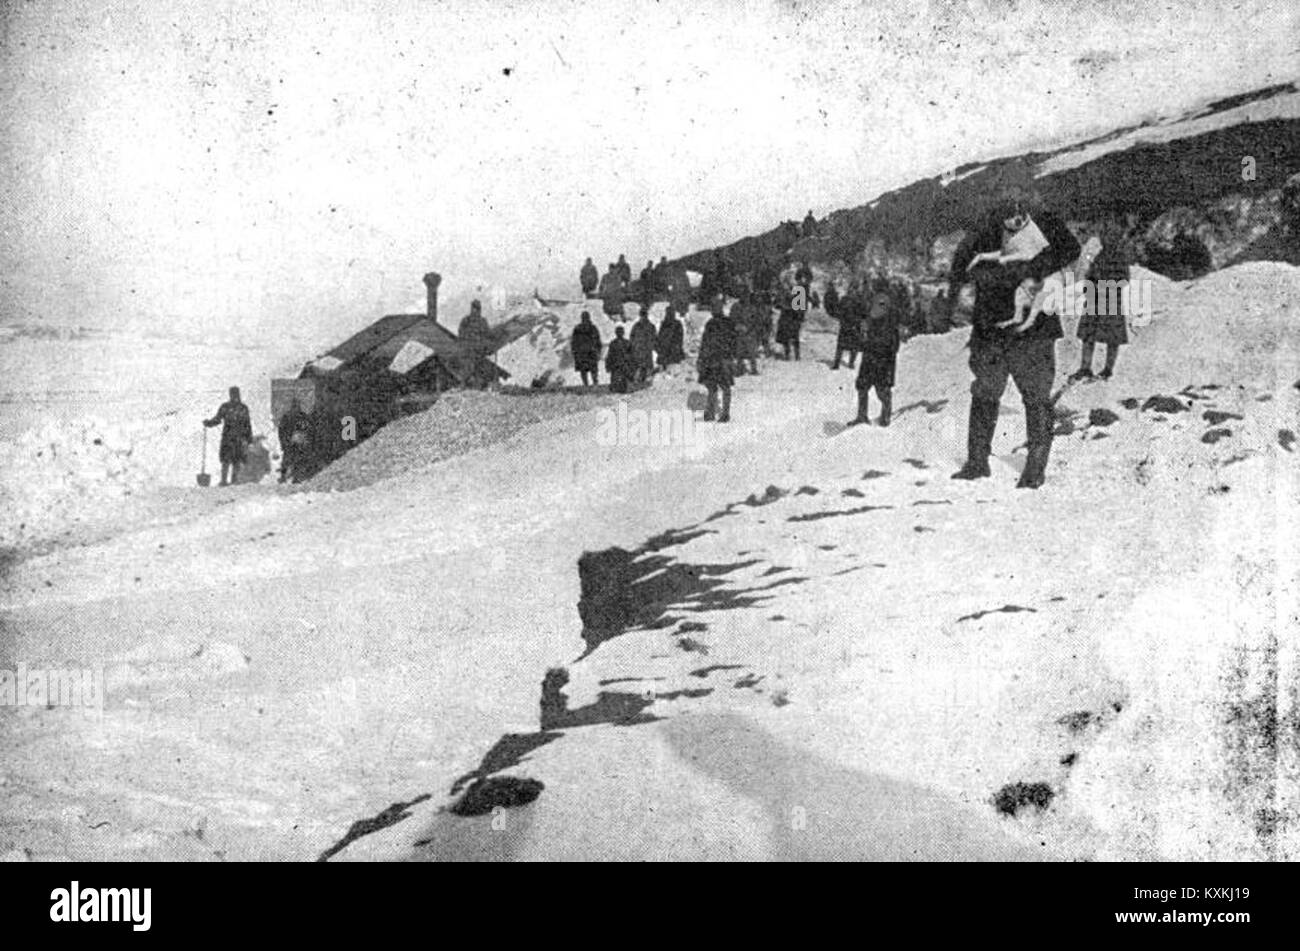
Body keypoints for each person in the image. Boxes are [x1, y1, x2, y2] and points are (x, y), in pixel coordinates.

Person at [946, 185, 1081, 489]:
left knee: (1035, 397)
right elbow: (963, 263)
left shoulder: (1043, 221)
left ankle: (1034, 470)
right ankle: (977, 462)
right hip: (991, 327)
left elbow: (1070, 248)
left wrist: (1031, 269)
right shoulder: (985, 227)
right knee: (984, 392)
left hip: (1032, 330)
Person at [1071, 227, 1130, 381]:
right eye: (1105, 237)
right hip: (1094, 299)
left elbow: (1124, 280)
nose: (1107, 240)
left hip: (1110, 300)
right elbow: (1089, 274)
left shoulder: (1120, 257)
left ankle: (1108, 370)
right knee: (1088, 335)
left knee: (1113, 338)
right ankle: (1085, 367)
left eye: (1111, 237)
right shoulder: (1099, 256)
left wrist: (1106, 286)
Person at [850, 291, 901, 427]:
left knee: (882, 391)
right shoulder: (869, 321)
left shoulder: (891, 324)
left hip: (883, 362)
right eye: (876, 304)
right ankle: (862, 416)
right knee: (862, 387)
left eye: (881, 305)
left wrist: (870, 338)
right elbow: (862, 343)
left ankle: (885, 417)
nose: (877, 308)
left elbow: (892, 346)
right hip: (869, 360)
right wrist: (863, 334)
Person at [204, 386, 254, 487]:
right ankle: (231, 480)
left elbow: (217, 419)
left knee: (229, 459)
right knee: (233, 459)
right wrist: (248, 438)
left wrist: (209, 423)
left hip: (229, 437)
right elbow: (247, 425)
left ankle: (226, 480)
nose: (234, 396)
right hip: (236, 438)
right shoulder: (242, 408)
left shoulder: (227, 407)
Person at [696, 299, 736, 422]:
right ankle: (716, 412)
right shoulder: (722, 323)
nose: (713, 310)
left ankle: (718, 413)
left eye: (715, 307)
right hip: (719, 358)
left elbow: (706, 342)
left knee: (719, 386)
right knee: (718, 386)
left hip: (718, 358)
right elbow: (705, 342)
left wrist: (702, 357)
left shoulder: (717, 323)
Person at [277, 397, 311, 484]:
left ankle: (284, 476)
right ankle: (294, 477)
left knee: (288, 459)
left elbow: (281, 430)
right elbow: (308, 429)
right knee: (297, 460)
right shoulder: (303, 416)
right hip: (298, 442)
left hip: (290, 442)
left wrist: (284, 441)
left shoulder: (287, 416)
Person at [829, 280, 860, 370]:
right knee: (853, 345)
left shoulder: (845, 299)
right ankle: (850, 363)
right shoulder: (858, 299)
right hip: (853, 325)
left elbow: (838, 311)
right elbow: (863, 313)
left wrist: (841, 319)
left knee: (841, 345)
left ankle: (837, 364)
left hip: (846, 324)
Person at [730, 292, 761, 376]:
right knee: (739, 352)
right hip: (740, 332)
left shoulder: (752, 307)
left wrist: (749, 328)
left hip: (750, 332)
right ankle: (740, 368)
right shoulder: (736, 306)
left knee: (752, 352)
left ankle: (753, 368)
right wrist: (738, 326)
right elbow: (732, 318)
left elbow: (756, 320)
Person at [571, 310, 602, 386]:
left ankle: (590, 383)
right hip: (587, 352)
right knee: (588, 369)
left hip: (586, 352)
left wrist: (574, 350)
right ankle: (591, 383)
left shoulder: (580, 328)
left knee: (588, 370)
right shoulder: (590, 328)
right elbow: (574, 341)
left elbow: (597, 340)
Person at [629, 306, 657, 383]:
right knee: (641, 366)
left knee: (642, 366)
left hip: (643, 350)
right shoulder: (648, 326)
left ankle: (642, 379)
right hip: (641, 350)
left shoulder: (639, 326)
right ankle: (640, 379)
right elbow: (632, 338)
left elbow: (632, 338)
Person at [775, 285, 804, 360]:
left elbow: (777, 305)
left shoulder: (787, 297)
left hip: (789, 319)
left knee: (788, 337)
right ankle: (795, 355)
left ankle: (790, 355)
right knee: (793, 337)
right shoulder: (797, 297)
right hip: (792, 320)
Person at [606, 325, 634, 393]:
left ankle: (623, 402)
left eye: (620, 332)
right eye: (618, 332)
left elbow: (631, 356)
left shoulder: (627, 343)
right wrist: (608, 366)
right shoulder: (613, 343)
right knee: (617, 386)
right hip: (617, 367)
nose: (619, 334)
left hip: (623, 367)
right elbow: (610, 355)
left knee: (623, 387)